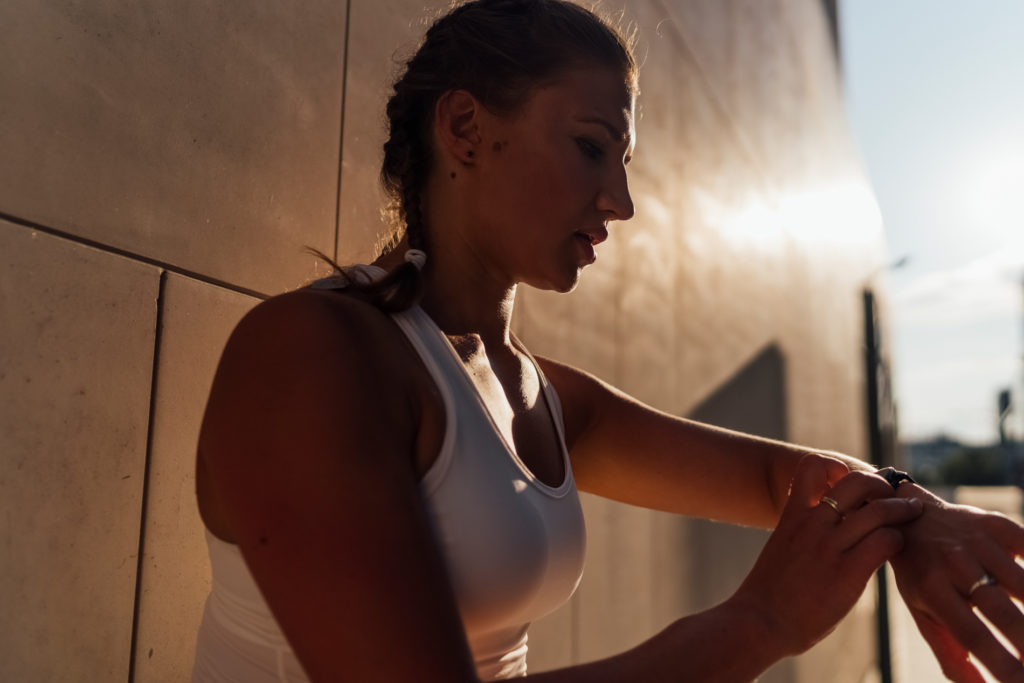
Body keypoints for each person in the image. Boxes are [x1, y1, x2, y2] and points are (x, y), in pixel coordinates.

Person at [191, 1, 1024, 681]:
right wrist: (759, 622)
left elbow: (778, 478)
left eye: (623, 163)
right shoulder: (311, 355)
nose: (620, 201)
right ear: (466, 128)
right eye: (592, 147)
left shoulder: (542, 396)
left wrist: (919, 518)